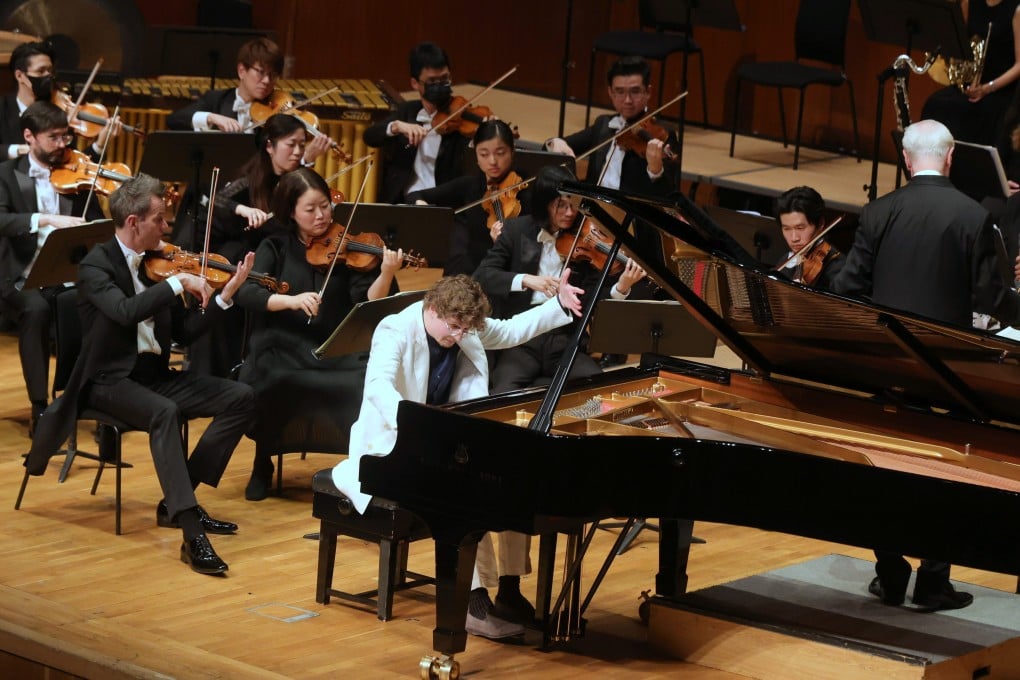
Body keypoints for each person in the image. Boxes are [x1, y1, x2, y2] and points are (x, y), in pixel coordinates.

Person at [23, 173, 257, 576]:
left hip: (152, 375)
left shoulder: (158, 267)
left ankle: (179, 501)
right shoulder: (95, 266)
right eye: (160, 220)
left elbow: (184, 331)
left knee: (242, 397)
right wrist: (179, 282)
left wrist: (224, 297)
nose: (167, 228)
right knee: (164, 412)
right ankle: (190, 532)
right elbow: (125, 312)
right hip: (107, 381)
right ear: (134, 223)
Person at [332, 272, 584, 639]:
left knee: (513, 477)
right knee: (468, 492)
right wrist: (417, 428)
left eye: (466, 330)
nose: (459, 336)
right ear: (432, 310)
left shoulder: (464, 326)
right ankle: (473, 604)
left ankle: (510, 590)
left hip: (448, 440)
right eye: (453, 328)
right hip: (395, 442)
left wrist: (559, 304)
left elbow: (511, 330)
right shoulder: (395, 329)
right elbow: (378, 387)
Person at [833, 119, 1020, 610]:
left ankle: (891, 573)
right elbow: (990, 298)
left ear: (906, 159)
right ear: (951, 156)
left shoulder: (878, 212)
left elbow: (848, 289)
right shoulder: (972, 215)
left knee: (883, 471)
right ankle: (934, 581)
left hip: (889, 369)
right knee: (946, 475)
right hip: (948, 374)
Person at [236, 167, 401, 501]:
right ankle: (262, 461)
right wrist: (289, 300)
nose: (321, 216)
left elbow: (368, 303)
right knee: (269, 379)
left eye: (324, 206)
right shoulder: (275, 246)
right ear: (291, 212)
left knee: (365, 381)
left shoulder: (350, 249)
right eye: (310, 209)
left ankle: (357, 470)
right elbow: (246, 293)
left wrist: (385, 273)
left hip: (335, 347)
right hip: (285, 345)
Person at [474, 165, 647, 393]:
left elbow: (593, 300)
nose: (569, 213)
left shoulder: (586, 241)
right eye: (560, 205)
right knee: (503, 392)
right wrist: (526, 279)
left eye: (573, 205)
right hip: (523, 338)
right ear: (543, 204)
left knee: (598, 390)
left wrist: (622, 286)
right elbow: (482, 275)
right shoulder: (516, 230)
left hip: (564, 340)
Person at [183, 113, 329, 378]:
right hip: (241, 256)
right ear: (270, 146)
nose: (298, 152)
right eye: (291, 144)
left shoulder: (295, 178)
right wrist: (242, 209)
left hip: (272, 255)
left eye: (301, 144)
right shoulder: (252, 176)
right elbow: (211, 199)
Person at [0, 101, 106, 435]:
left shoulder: (77, 173)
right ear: (29, 136)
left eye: (66, 137)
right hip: (20, 274)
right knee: (36, 311)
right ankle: (40, 407)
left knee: (101, 308)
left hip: (66, 273)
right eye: (54, 138)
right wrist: (45, 218)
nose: (63, 145)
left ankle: (96, 399)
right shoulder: (6, 173)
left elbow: (95, 220)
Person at [545, 55, 679, 268]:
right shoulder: (603, 125)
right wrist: (555, 143)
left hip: (632, 229)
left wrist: (655, 169)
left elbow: (670, 198)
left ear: (648, 92)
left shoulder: (663, 135)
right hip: (591, 223)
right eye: (620, 92)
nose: (627, 100)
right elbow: (559, 144)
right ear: (610, 92)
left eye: (635, 91)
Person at [409, 119, 530, 276]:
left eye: (500, 153)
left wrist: (505, 243)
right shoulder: (469, 185)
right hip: (470, 271)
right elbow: (415, 195)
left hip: (507, 275)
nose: (492, 161)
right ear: (476, 156)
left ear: (512, 152)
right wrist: (422, 205)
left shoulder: (524, 190)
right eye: (484, 154)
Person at [362, 41, 471, 204]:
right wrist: (396, 126)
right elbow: (370, 136)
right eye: (432, 81)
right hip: (404, 201)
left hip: (442, 203)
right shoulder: (407, 111)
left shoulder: (460, 117)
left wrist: (490, 130)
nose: (440, 86)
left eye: (445, 79)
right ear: (415, 83)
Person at [922, 0, 1020, 148]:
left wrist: (987, 88)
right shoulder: (969, 3)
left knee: (975, 113)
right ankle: (933, 166)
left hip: (1000, 90)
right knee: (935, 104)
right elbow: (959, 47)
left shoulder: (1017, 10)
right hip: (971, 85)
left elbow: (1019, 65)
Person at [773, 186, 844, 290]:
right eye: (787, 229)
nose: (794, 238)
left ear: (820, 224)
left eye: (800, 228)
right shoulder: (786, 261)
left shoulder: (837, 268)